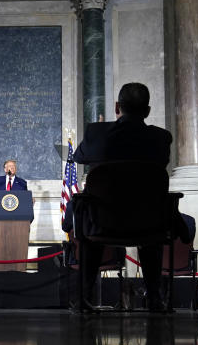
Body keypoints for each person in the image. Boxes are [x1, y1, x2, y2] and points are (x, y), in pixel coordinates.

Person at [71, 82, 186, 312]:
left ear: (117, 107)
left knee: (90, 214)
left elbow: (78, 157)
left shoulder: (97, 133)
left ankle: (84, 297)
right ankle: (154, 297)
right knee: (149, 226)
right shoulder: (160, 138)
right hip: (148, 222)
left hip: (104, 221)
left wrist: (101, 133)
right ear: (148, 111)